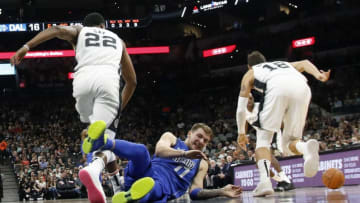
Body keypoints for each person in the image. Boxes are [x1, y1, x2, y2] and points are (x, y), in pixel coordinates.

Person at [10, 12, 137, 203]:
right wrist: (118, 109)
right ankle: (94, 170)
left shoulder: (80, 31)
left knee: (99, 137)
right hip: (108, 87)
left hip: (83, 85)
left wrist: (25, 47)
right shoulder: (117, 40)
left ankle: (118, 185)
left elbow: (57, 29)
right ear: (103, 26)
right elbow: (132, 82)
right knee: (106, 142)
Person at [236, 51, 330, 197]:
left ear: (249, 66)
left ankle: (265, 183)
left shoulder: (251, 72)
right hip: (302, 87)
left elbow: (241, 108)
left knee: (263, 142)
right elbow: (305, 63)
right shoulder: (283, 65)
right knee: (290, 145)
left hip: (277, 89)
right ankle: (306, 149)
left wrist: (241, 133)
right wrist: (319, 75)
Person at [86, 122, 242, 202]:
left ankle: (129, 197)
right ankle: (101, 141)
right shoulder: (172, 138)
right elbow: (160, 150)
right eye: (199, 136)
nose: (201, 141)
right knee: (141, 151)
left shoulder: (202, 163)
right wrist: (185, 154)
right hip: (146, 171)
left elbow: (195, 192)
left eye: (205, 141)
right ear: (189, 133)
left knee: (154, 187)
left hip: (164, 186)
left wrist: (221, 191)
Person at [245, 93, 294, 191]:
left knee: (266, 154)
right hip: (260, 132)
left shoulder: (260, 107)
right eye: (247, 98)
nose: (250, 100)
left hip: (269, 128)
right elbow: (245, 123)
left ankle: (285, 180)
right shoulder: (243, 112)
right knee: (258, 163)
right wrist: (244, 135)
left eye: (251, 98)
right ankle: (280, 180)